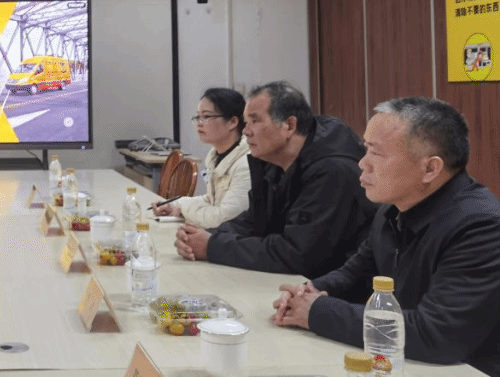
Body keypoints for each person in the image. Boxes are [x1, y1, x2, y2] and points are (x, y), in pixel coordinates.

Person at [273, 97, 500, 375]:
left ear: (430, 168)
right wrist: (310, 291)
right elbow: (356, 275)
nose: (362, 163)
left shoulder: (482, 227)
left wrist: (317, 312)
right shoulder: (393, 209)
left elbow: (436, 334)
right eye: (365, 148)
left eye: (376, 153)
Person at [175, 81, 376, 278]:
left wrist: (213, 247)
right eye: (246, 122)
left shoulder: (333, 171)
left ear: (289, 125)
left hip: (337, 288)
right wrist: (206, 237)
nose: (245, 131)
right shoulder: (272, 158)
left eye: (255, 121)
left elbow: (297, 254)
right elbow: (253, 221)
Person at [154, 87, 250, 227]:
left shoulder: (246, 164)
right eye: (198, 117)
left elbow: (222, 219)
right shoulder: (215, 157)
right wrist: (173, 204)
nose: (199, 122)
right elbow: (211, 200)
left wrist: (183, 210)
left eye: (206, 116)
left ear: (232, 122)